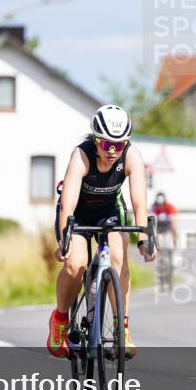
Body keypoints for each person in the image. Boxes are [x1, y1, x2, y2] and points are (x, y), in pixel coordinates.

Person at [50, 105, 155, 359]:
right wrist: (65, 240)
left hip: (109, 210)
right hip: (78, 213)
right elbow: (68, 204)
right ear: (95, 139)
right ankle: (60, 320)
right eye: (106, 143)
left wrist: (144, 239)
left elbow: (139, 202)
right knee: (76, 264)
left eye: (118, 145)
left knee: (118, 257)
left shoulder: (131, 155)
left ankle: (122, 329)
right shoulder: (82, 155)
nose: (112, 151)